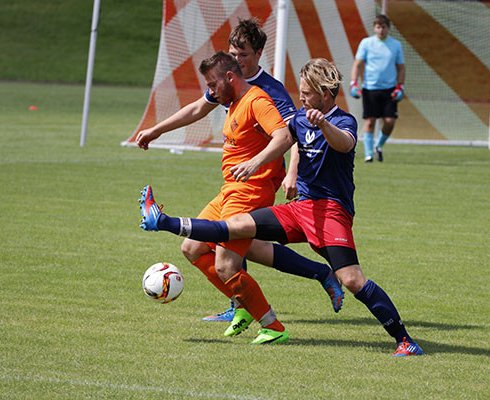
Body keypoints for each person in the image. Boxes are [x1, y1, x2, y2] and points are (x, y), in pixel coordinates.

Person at [140, 58, 423, 356]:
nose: (301, 97)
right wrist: (276, 169)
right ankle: (164, 221)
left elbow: (345, 145)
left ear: (326, 94)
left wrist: (323, 124)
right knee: (233, 228)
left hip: (331, 212)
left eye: (308, 93)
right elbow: (288, 140)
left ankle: (405, 340)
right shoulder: (300, 118)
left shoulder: (343, 121)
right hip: (300, 209)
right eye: (301, 91)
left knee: (352, 280)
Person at [136, 19, 343, 324]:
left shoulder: (269, 92)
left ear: (259, 53)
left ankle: (260, 315)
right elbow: (196, 108)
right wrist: (157, 130)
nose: (237, 58)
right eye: (233, 52)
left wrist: (292, 173)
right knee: (233, 247)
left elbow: (293, 133)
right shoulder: (227, 84)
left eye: (243, 53)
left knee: (227, 251)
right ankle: (271, 291)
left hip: (259, 180)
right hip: (236, 181)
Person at [350, 14, 405, 163]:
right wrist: (353, 83)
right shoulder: (366, 43)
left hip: (389, 89)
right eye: (378, 27)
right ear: (374, 28)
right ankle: (369, 154)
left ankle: (378, 145)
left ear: (388, 28)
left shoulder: (396, 45)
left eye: (384, 27)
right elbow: (357, 64)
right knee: (370, 121)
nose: (381, 30)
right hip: (370, 89)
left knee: (390, 121)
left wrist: (400, 86)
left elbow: (401, 68)